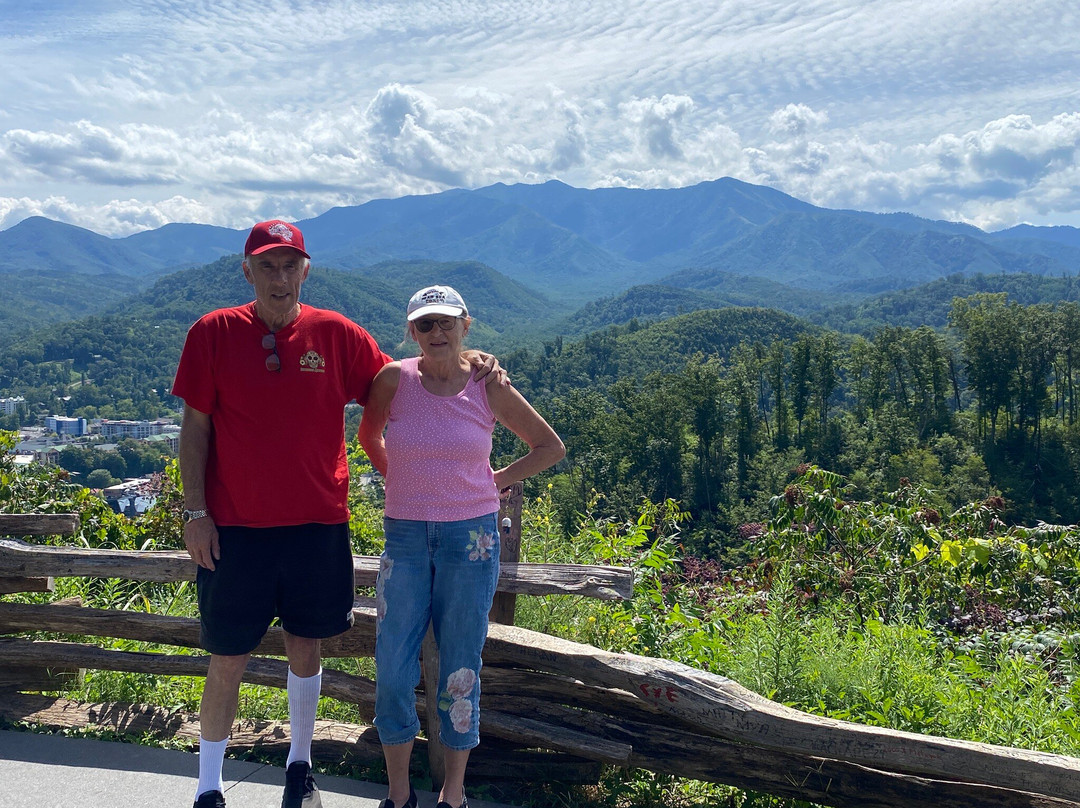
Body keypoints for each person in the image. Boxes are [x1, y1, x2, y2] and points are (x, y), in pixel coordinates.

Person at [173, 224, 500, 808]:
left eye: (289, 265)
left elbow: (399, 379)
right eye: (267, 265)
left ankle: (300, 767)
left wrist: (463, 357)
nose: (279, 276)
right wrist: (194, 511)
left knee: (307, 646)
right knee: (227, 656)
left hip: (317, 523)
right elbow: (194, 428)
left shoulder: (336, 334)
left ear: (306, 270)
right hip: (233, 526)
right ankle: (209, 786)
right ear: (247, 271)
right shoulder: (213, 332)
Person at [358, 285, 565, 808]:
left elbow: (549, 446)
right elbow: (368, 436)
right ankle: (399, 793)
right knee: (392, 668)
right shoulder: (392, 380)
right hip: (404, 536)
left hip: (470, 538)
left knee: (460, 667)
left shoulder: (486, 385)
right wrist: (397, 477)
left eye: (446, 322)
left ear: (465, 326)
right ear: (411, 332)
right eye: (425, 324)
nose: (436, 332)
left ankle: (454, 793)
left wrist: (494, 481)